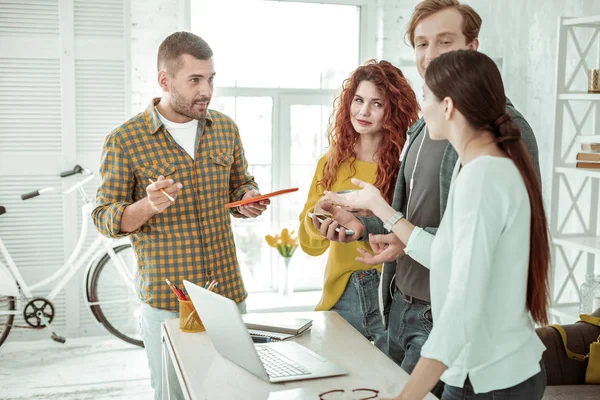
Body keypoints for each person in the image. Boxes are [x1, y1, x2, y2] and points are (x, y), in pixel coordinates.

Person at [311, 1, 541, 397]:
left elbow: (468, 278)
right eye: (421, 43)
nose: (430, 54)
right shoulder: (427, 132)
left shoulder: (491, 151)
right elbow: (447, 239)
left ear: (472, 47)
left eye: (444, 41)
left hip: (460, 342)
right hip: (406, 306)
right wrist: (371, 223)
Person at [91, 32, 269, 400]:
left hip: (227, 295)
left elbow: (240, 185)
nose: (206, 90)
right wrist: (148, 205)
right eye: (195, 80)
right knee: (174, 394)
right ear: (164, 81)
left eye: (211, 79)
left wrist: (248, 198)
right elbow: (104, 217)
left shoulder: (225, 130)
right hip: (169, 303)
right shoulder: (125, 140)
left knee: (238, 391)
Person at [298, 60, 419, 353]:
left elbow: (416, 233)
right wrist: (319, 223)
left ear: (394, 110)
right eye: (359, 100)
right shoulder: (330, 163)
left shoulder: (407, 164)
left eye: (377, 104)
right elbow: (309, 245)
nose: (363, 111)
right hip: (341, 297)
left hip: (392, 295)